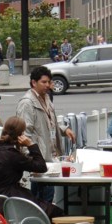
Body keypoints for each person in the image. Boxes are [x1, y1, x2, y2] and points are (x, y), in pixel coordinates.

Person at [16, 66, 76, 202]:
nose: (47, 85)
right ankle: (41, 223)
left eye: (49, 82)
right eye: (44, 82)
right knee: (42, 201)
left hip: (50, 159)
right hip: (40, 161)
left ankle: (42, 222)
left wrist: (63, 129)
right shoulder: (27, 103)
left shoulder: (47, 98)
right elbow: (24, 134)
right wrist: (32, 161)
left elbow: (49, 122)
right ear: (33, 83)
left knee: (46, 199)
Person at [0, 116, 49, 202]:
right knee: (55, 211)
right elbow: (41, 167)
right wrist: (31, 145)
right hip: (10, 202)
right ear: (20, 135)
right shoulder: (13, 155)